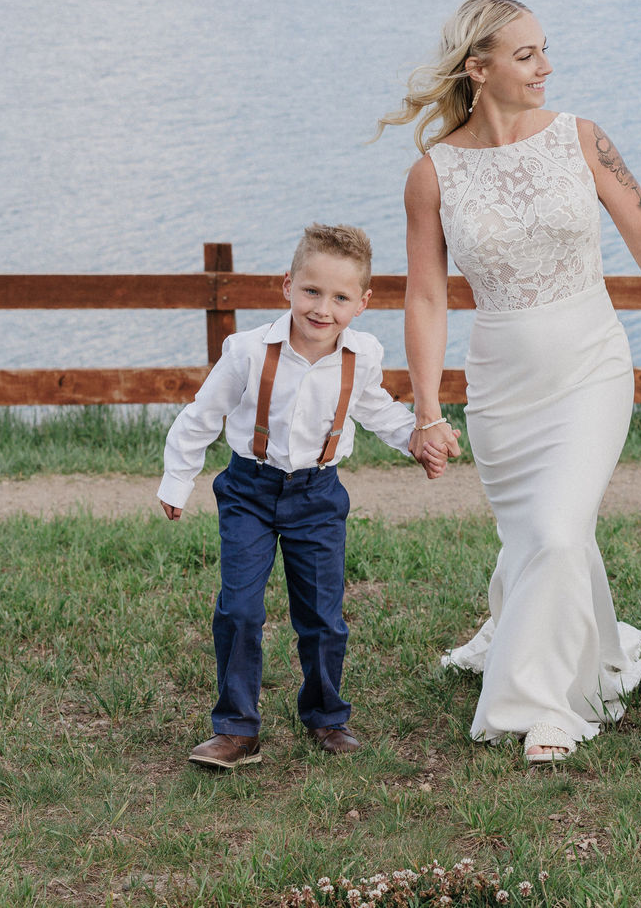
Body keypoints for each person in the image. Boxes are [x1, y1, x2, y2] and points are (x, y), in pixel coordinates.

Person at [388, 0, 641, 764]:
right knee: (537, 533)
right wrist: (429, 408)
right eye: (527, 54)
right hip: (502, 380)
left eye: (545, 50)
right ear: (480, 68)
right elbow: (427, 294)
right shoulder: (432, 175)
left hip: (590, 363)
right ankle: (553, 631)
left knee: (561, 527)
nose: (546, 67)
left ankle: (542, 708)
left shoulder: (582, 139)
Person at [156, 224, 456, 770]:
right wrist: (178, 479)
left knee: (322, 614)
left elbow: (378, 408)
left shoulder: (359, 356)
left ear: (363, 304)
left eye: (340, 297)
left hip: (318, 496)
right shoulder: (248, 350)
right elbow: (201, 415)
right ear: (287, 286)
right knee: (239, 609)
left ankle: (325, 717)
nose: (323, 308)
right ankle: (236, 729)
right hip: (249, 488)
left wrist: (418, 436)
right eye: (312, 291)